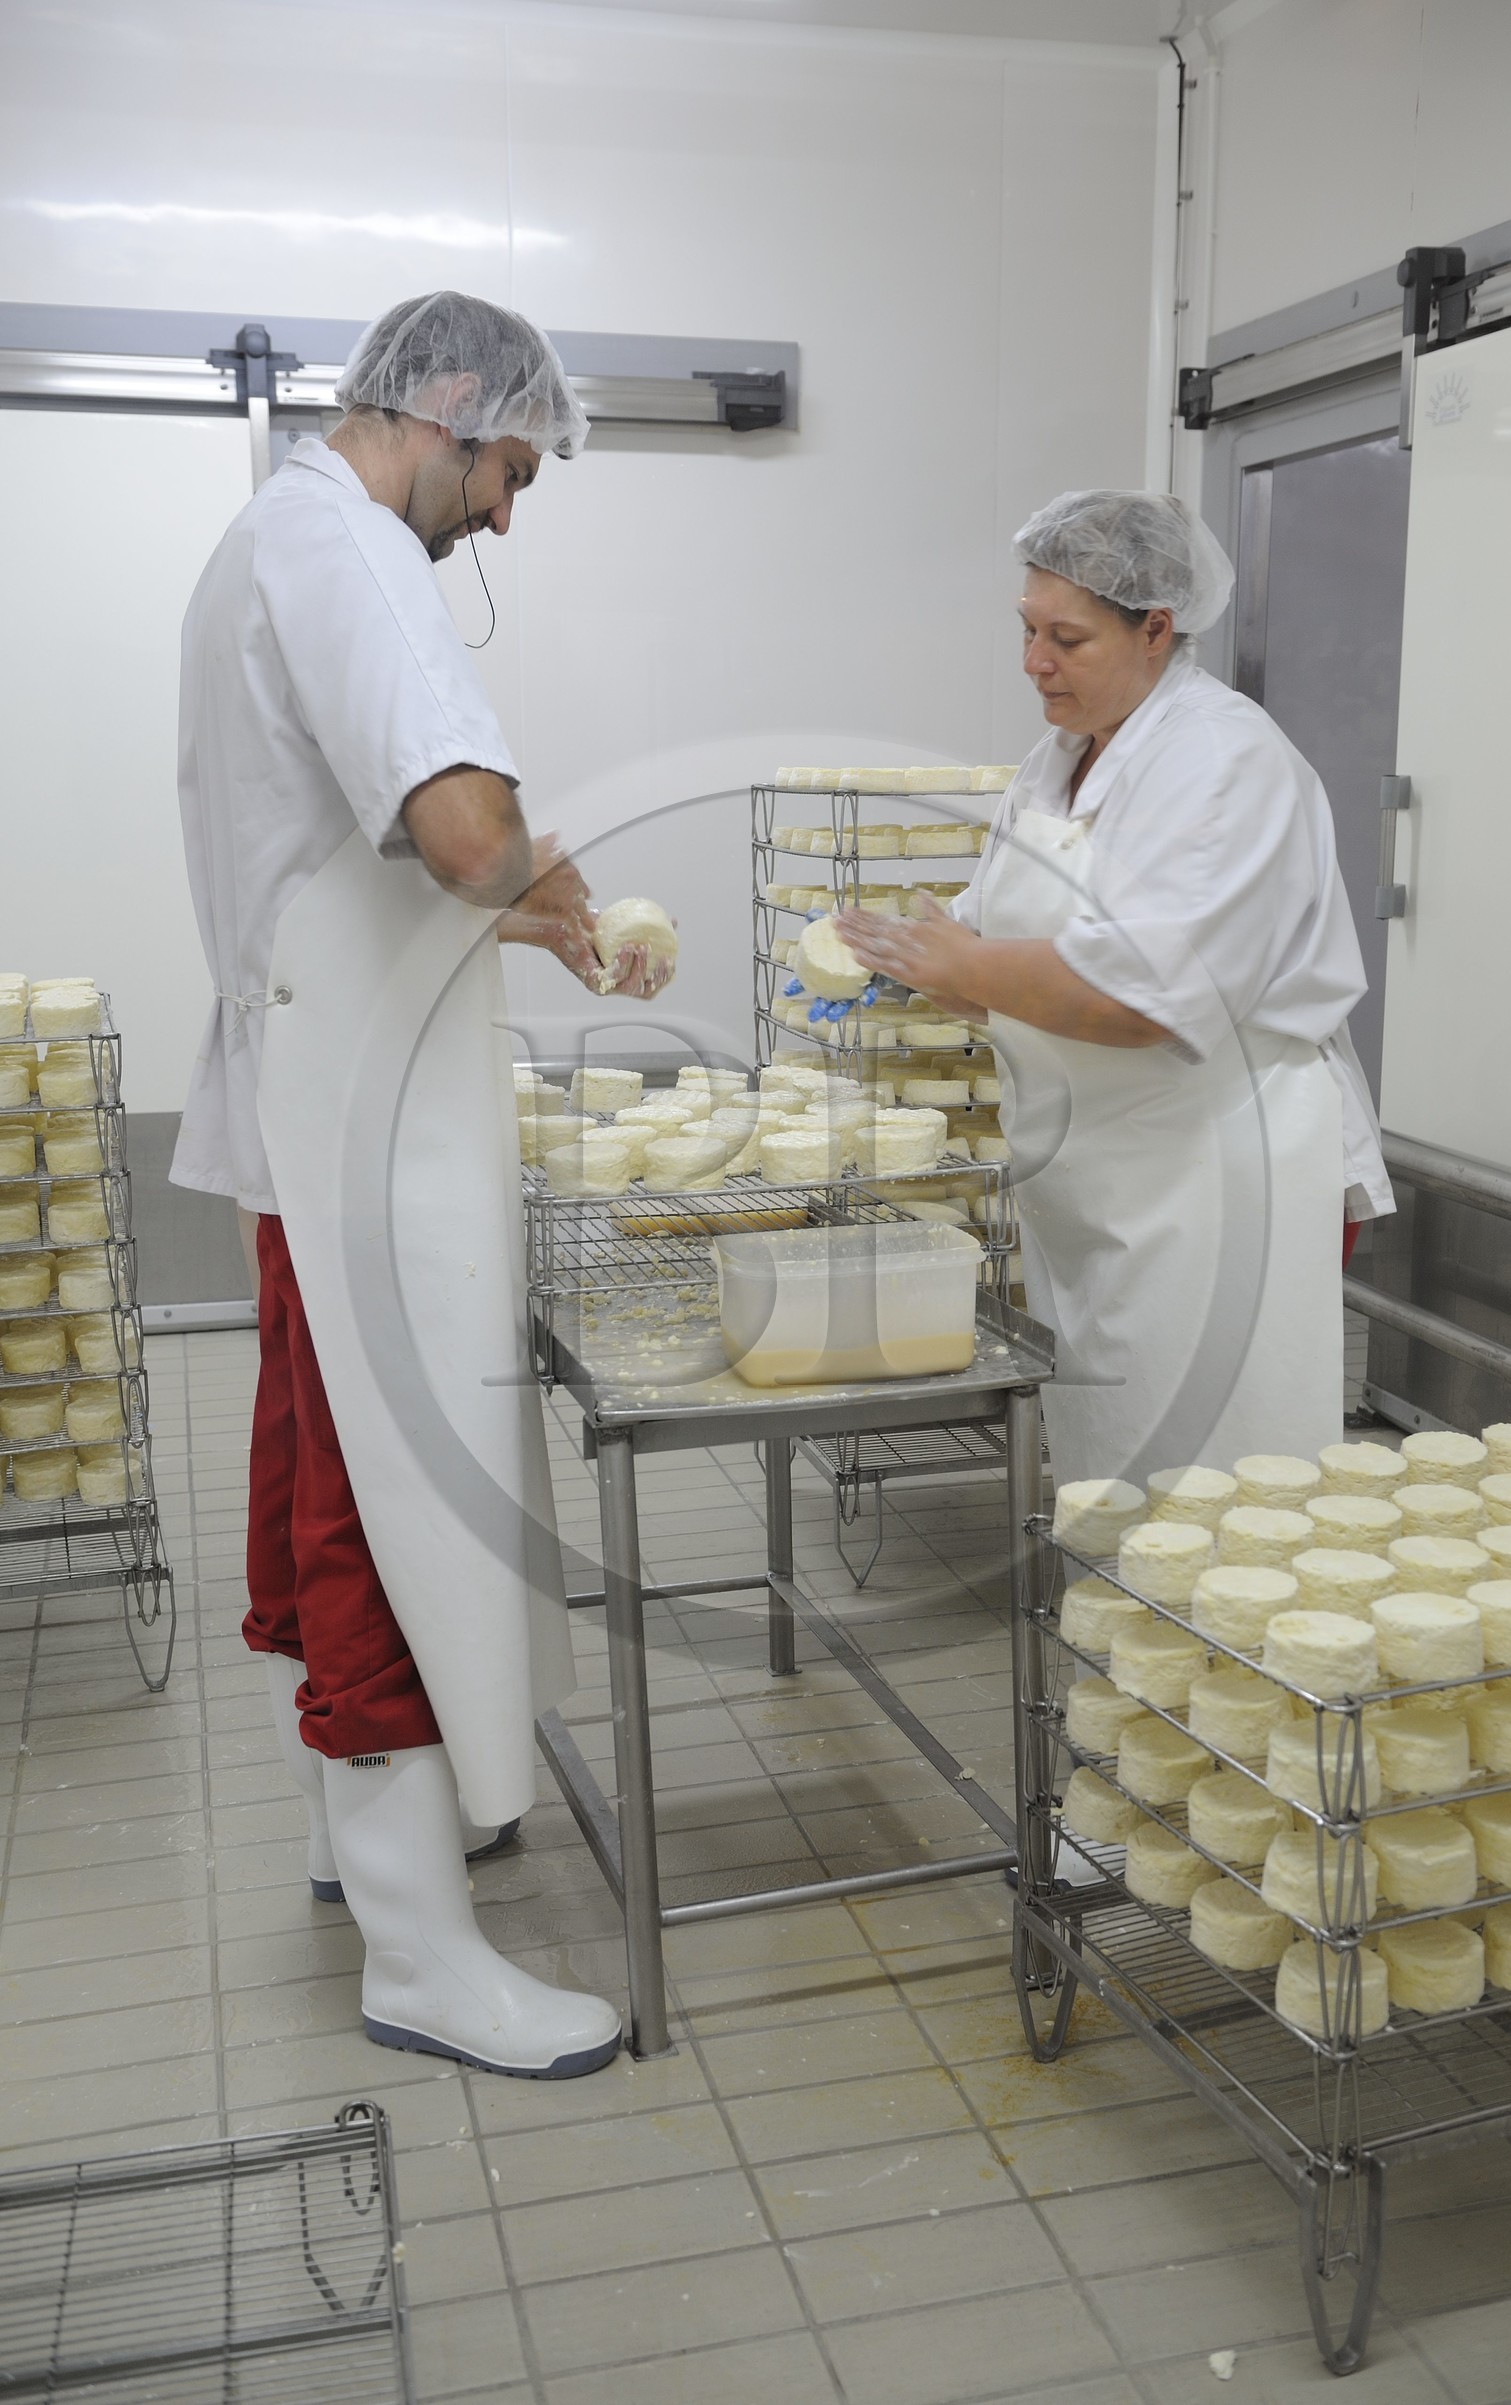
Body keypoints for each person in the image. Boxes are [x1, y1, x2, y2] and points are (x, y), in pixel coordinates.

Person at [172, 291, 669, 2078]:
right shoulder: (358, 552)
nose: (506, 517)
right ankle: (422, 1957)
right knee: (387, 1514)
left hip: (312, 1113)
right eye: (513, 471)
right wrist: (544, 877)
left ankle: (355, 1839)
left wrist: (533, 907)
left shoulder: (266, 542)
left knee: (326, 1478)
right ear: (449, 409)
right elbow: (461, 831)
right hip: (365, 1141)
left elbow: (361, 853)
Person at [839, 489, 1391, 1485]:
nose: (1034, 662)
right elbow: (1002, 936)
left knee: (1224, 1476)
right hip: (1102, 1176)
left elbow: (1150, 995)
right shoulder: (1059, 759)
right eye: (1026, 630)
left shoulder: (1221, 761)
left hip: (1216, 1177)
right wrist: (921, 953)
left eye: (1067, 639)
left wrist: (965, 967)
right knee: (1112, 1461)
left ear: (1155, 629)